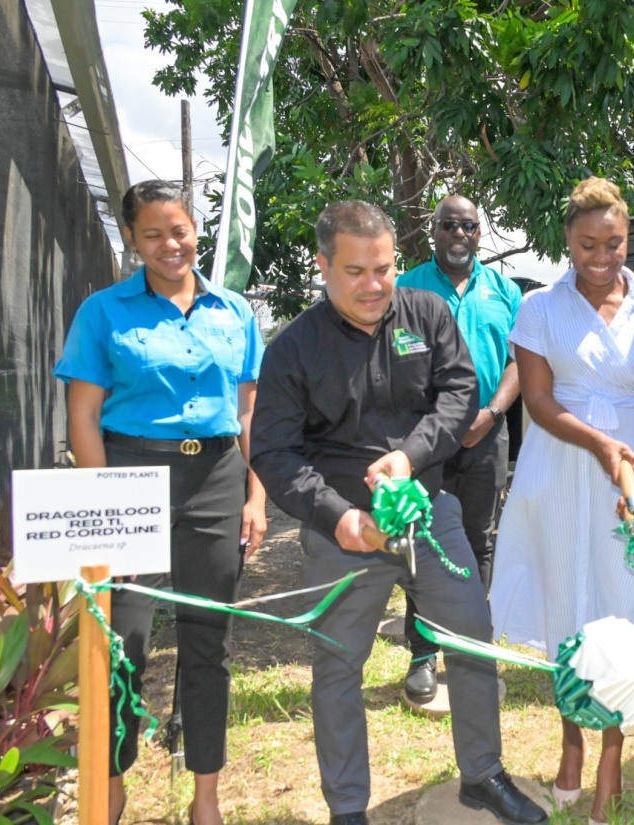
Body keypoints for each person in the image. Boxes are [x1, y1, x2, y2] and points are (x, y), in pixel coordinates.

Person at [249, 201, 547, 825]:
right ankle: (348, 810)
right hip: (344, 532)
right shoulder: (293, 349)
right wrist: (337, 518)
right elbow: (274, 453)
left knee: (472, 640)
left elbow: (459, 391)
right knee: (337, 665)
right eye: (355, 271)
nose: (373, 285)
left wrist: (411, 457)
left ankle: (484, 776)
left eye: (382, 268)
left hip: (430, 514)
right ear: (323, 265)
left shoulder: (427, 312)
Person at [54, 180, 267, 825]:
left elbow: (249, 412)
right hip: (130, 475)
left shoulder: (235, 312)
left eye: (179, 231)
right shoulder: (103, 312)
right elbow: (83, 418)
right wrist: (105, 506)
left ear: (195, 230)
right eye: (153, 234)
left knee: (210, 641)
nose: (170, 245)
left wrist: (255, 494)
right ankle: (110, 786)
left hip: (218, 480)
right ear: (132, 240)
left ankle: (206, 796)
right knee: (123, 639)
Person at [489, 177, 634, 823]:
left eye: (614, 243)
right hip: (561, 465)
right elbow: (541, 402)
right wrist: (602, 446)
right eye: (587, 245)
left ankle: (611, 754)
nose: (602, 257)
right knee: (566, 608)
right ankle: (571, 743)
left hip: (632, 481)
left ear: (627, 237)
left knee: (620, 614)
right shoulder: (541, 308)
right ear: (567, 242)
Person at [397, 194, 522, 704]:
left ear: (479, 232)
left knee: (478, 540)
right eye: (449, 225)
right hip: (427, 436)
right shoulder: (406, 288)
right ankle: (423, 653)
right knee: (421, 540)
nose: (460, 235)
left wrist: (491, 412)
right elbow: (395, 361)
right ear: (434, 231)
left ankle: (471, 649)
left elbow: (520, 363)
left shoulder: (505, 291)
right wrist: (437, 421)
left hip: (488, 432)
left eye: (469, 226)